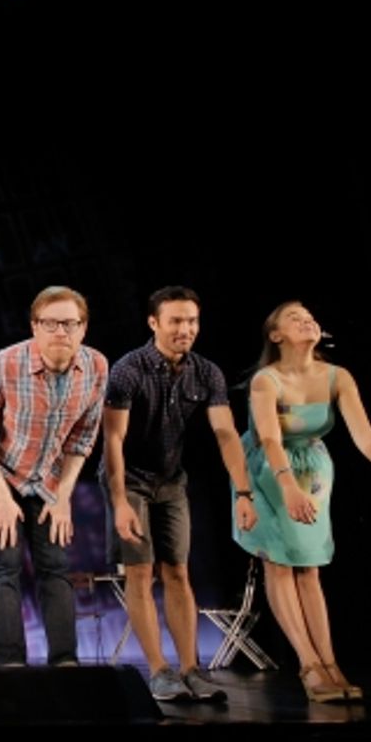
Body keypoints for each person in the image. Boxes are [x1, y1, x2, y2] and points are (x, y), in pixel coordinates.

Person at [234, 301, 371, 702]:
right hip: (267, 470)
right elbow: (268, 438)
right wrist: (288, 487)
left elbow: (364, 435)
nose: (307, 321)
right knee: (281, 563)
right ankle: (308, 665)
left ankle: (330, 663)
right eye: (294, 318)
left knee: (310, 567)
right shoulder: (267, 379)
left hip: (313, 468)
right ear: (275, 335)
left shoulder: (337, 376)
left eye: (310, 316)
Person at [101, 286, 248, 702]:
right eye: (176, 321)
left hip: (171, 480)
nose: (186, 329)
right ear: (154, 323)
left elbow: (225, 432)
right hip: (128, 479)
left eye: (192, 321)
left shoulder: (207, 372)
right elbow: (113, 439)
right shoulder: (129, 369)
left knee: (179, 572)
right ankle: (160, 670)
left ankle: (190, 668)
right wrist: (117, 502)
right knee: (141, 572)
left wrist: (244, 491)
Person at [0, 285, 108, 669]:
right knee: (5, 564)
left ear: (83, 328)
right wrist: (0, 497)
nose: (60, 331)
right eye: (51, 323)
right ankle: (9, 667)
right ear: (35, 327)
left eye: (70, 323)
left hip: (47, 479)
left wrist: (63, 497)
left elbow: (82, 439)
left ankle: (65, 663)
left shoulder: (96, 366)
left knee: (55, 565)